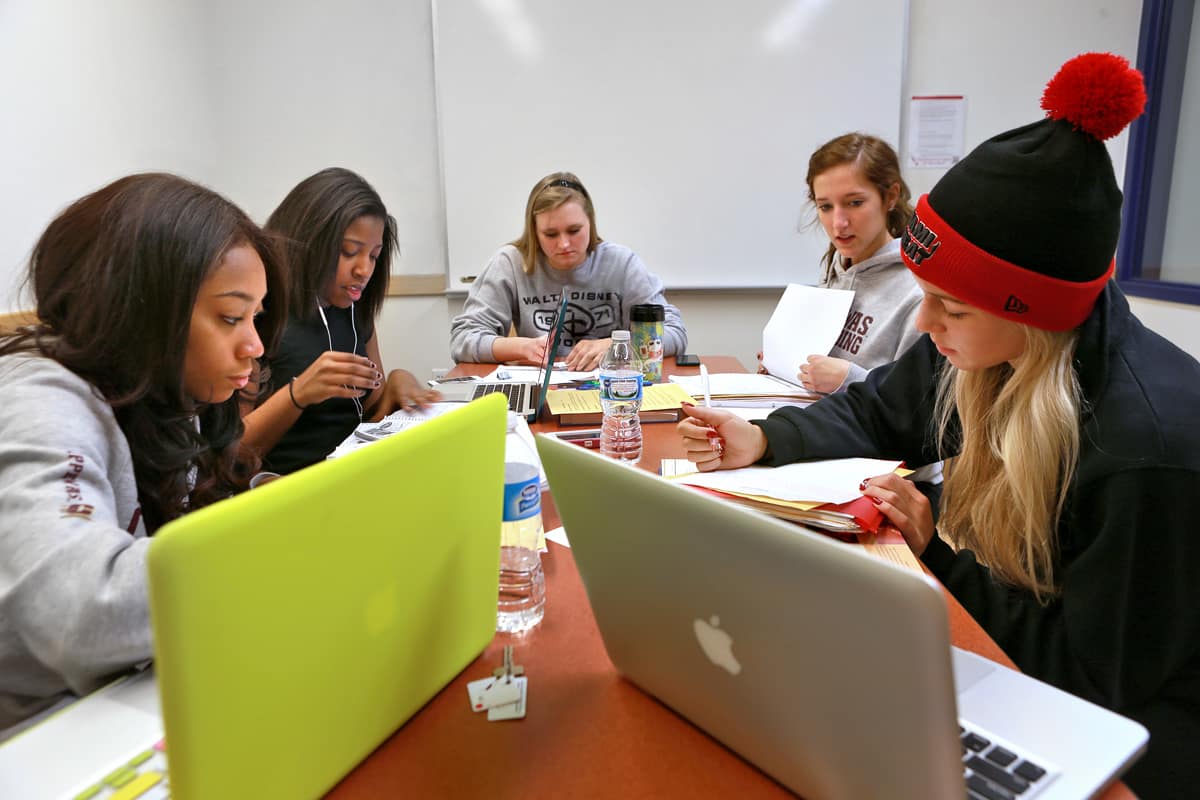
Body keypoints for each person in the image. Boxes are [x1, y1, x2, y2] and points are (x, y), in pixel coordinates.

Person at [679, 54, 1195, 797]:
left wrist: (938, 555)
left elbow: (1093, 678)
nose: (925, 324)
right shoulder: (980, 350)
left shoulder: (1145, 454)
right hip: (1035, 661)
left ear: (1032, 316)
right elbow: (878, 408)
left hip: (1137, 738)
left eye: (951, 308)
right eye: (926, 296)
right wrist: (764, 438)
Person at [0, 173, 287, 733]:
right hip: (45, 737)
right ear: (138, 308)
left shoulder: (164, 389)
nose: (253, 344)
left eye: (255, 316)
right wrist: (276, 542)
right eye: (231, 317)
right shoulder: (38, 396)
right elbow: (79, 609)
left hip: (127, 695)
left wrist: (266, 502)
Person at [240, 168, 440, 475]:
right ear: (309, 242)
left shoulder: (354, 308)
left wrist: (399, 381)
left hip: (352, 472)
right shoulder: (259, 316)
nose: (364, 270)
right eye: (349, 252)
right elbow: (235, 456)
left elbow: (370, 406)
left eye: (374, 255)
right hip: (286, 487)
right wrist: (298, 394)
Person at [449, 171, 687, 370]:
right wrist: (522, 348)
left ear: (591, 223)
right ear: (534, 231)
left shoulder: (621, 263)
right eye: (550, 234)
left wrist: (617, 345)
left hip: (611, 393)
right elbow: (462, 339)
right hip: (541, 388)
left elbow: (675, 333)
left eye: (574, 231)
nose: (563, 244)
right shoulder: (510, 263)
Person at [760, 133, 924, 395]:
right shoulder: (836, 270)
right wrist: (787, 366)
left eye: (855, 203)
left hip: (861, 433)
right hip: (818, 420)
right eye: (825, 207)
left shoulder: (917, 292)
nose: (839, 223)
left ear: (891, 197)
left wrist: (849, 379)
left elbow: (916, 402)